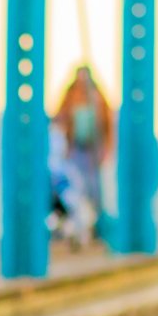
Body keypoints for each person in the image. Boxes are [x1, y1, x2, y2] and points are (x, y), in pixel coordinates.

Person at [52, 64, 113, 235]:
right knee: (75, 189)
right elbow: (60, 116)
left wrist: (106, 149)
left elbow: (108, 125)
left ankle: (98, 225)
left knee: (95, 190)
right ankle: (75, 227)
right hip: (76, 149)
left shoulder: (98, 98)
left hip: (93, 150)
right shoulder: (71, 96)